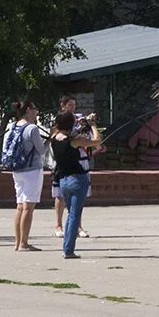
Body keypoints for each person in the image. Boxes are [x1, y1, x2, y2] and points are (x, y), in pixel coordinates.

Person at [51, 110, 102, 259]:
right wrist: (93, 125)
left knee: (70, 214)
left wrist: (81, 126)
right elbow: (97, 140)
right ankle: (68, 249)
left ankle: (67, 246)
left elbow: (66, 133)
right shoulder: (75, 141)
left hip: (63, 180)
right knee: (75, 214)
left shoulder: (55, 138)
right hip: (78, 178)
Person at [7, 101, 47, 251]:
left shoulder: (14, 125)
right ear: (28, 110)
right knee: (28, 207)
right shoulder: (32, 128)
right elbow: (41, 150)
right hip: (32, 169)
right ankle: (24, 243)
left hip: (17, 169)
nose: (37, 112)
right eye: (35, 109)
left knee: (19, 206)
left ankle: (17, 243)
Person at [52, 96, 92, 240]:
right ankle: (58, 225)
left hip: (80, 156)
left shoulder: (79, 119)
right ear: (63, 106)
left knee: (79, 195)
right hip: (63, 160)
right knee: (60, 193)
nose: (72, 108)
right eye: (69, 105)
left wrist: (86, 125)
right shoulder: (60, 120)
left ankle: (78, 226)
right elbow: (55, 136)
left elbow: (89, 139)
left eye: (74, 105)